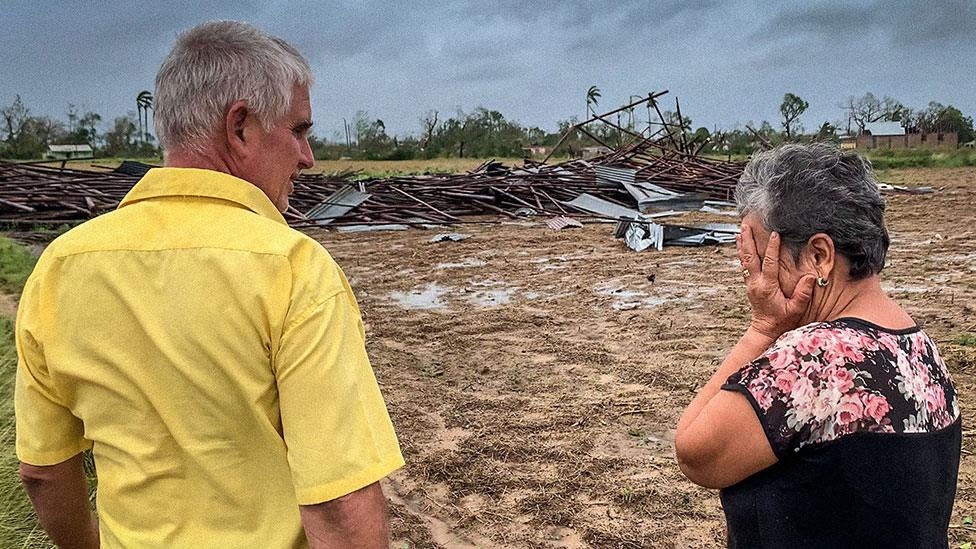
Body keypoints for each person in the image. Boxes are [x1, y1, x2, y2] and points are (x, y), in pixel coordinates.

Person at [15, 21, 404, 548]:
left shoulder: (61, 268)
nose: (308, 158)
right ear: (240, 126)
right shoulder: (292, 269)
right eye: (299, 131)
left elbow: (43, 471)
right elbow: (337, 503)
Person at [675, 143, 960, 548]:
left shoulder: (815, 357)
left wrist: (763, 327)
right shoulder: (919, 346)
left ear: (820, 256)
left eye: (760, 258)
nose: (756, 278)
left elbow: (694, 453)